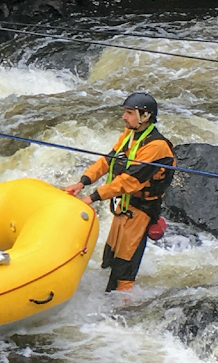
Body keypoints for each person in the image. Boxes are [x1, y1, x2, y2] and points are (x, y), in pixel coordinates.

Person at [64, 92, 176, 292]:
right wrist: (82, 182)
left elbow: (129, 181)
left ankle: (124, 310)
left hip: (142, 210)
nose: (124, 117)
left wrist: (91, 198)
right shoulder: (129, 135)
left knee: (124, 266)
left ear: (145, 115)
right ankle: (104, 299)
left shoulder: (157, 147)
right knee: (109, 259)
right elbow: (108, 160)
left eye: (129, 113)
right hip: (125, 206)